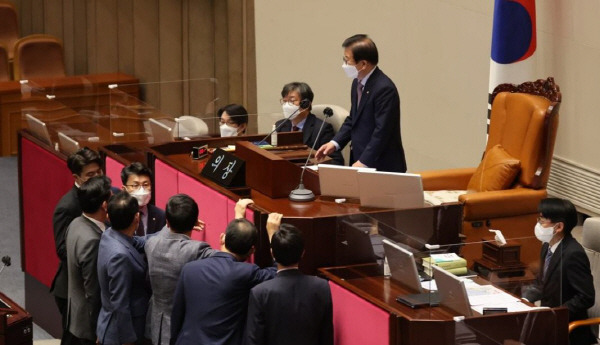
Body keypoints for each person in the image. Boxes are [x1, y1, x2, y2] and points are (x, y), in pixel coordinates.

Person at [145, 196, 253, 345]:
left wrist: (180, 221)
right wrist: (238, 218)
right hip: (184, 328)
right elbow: (229, 256)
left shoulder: (151, 243)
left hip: (156, 324)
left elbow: (166, 231)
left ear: (167, 222)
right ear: (194, 222)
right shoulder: (197, 250)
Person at [170, 213, 282, 345]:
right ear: (252, 250)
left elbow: (177, 315)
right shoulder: (247, 273)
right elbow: (278, 272)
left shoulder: (189, 269)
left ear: (222, 238)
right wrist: (273, 236)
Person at [315, 34, 406, 172]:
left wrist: (364, 162)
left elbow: (382, 132)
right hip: (361, 160)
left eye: (347, 61)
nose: (344, 65)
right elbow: (353, 119)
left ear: (363, 64)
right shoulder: (357, 82)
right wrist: (335, 142)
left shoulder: (384, 88)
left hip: (381, 165)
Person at [522, 198, 595, 345]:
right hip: (547, 324)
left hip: (568, 332)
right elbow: (542, 282)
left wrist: (556, 314)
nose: (538, 224)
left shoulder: (573, 254)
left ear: (559, 227)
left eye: (542, 220)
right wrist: (524, 299)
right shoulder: (547, 247)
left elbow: (586, 297)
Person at [245, 224, 333, 345]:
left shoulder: (260, 293)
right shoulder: (322, 287)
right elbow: (326, 337)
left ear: (272, 254)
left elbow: (253, 340)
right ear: (303, 253)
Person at [51, 147, 103, 345]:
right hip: (71, 290)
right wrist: (88, 254)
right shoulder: (67, 206)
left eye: (99, 172)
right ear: (77, 177)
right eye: (90, 175)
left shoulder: (101, 195)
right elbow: (62, 249)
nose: (97, 177)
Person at [96, 192, 150, 345]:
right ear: (137, 218)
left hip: (109, 322)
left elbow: (138, 242)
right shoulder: (120, 256)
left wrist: (171, 228)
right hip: (123, 332)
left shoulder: (109, 235)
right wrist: (127, 340)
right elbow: (120, 303)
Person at [65, 176, 112, 345]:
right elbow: (93, 290)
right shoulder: (93, 240)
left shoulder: (76, 223)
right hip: (88, 326)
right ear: (104, 205)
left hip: (76, 315)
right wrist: (99, 327)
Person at [275, 82, 344, 165]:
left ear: (306, 104)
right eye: (284, 101)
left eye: (292, 101)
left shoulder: (322, 129)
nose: (286, 105)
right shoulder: (280, 126)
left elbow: (336, 161)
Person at [121, 162, 166, 236]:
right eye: (135, 185)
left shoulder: (160, 216)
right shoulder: (117, 215)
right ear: (124, 189)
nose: (141, 190)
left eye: (146, 185)